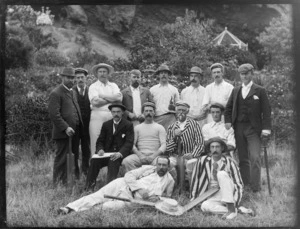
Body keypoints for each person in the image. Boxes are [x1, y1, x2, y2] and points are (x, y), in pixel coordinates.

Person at [58, 156, 175, 214]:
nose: (160, 167)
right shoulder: (148, 169)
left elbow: (167, 198)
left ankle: (80, 212)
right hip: (121, 185)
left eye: (164, 165)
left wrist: (158, 198)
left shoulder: (169, 181)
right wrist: (139, 189)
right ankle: (68, 208)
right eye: (159, 164)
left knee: (105, 208)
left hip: (131, 201)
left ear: (168, 167)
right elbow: (129, 175)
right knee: (97, 196)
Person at [224, 63, 271, 193]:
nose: (244, 76)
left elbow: (267, 111)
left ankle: (256, 188)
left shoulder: (260, 90)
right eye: (242, 74)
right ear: (240, 75)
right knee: (243, 158)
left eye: (246, 73)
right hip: (238, 127)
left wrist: (266, 129)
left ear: (252, 73)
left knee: (255, 157)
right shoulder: (235, 90)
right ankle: (246, 185)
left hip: (253, 129)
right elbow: (228, 109)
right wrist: (227, 121)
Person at [190, 137, 243, 220]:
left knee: (221, 174)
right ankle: (235, 210)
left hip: (227, 192)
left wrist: (236, 201)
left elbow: (238, 184)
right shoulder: (202, 161)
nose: (215, 149)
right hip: (210, 194)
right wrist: (193, 200)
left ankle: (231, 206)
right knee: (204, 206)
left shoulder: (230, 162)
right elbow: (195, 181)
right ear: (209, 149)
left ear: (222, 148)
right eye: (212, 147)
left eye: (217, 147)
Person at [85, 102, 134, 190]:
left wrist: (120, 153)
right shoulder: (106, 124)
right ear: (111, 113)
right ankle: (88, 188)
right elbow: (100, 141)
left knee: (113, 161)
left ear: (122, 112)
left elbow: (129, 143)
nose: (116, 114)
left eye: (118, 112)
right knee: (94, 161)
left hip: (120, 154)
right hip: (107, 153)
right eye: (114, 112)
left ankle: (110, 190)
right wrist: (100, 149)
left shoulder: (128, 125)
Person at [48, 67, 83, 184]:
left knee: (74, 156)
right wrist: (66, 127)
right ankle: (57, 183)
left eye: (73, 78)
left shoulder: (72, 92)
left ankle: (71, 180)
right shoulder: (56, 93)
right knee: (62, 158)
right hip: (63, 132)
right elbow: (54, 114)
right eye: (68, 77)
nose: (71, 80)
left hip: (75, 131)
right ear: (62, 77)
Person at [166, 101, 205, 184]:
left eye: (183, 110)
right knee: (168, 163)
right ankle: (176, 185)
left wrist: (193, 154)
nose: (181, 112)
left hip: (189, 155)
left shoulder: (195, 124)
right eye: (179, 110)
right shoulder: (171, 127)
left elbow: (200, 143)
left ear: (187, 111)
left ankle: (192, 187)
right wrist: (175, 137)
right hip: (175, 156)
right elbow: (168, 147)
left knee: (192, 163)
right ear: (176, 112)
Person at [121, 102, 166, 174]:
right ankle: (135, 181)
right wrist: (140, 155)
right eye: (146, 111)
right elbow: (132, 144)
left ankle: (153, 183)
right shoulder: (137, 128)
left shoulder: (160, 127)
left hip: (155, 156)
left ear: (154, 113)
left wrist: (154, 156)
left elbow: (163, 145)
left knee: (161, 164)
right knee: (126, 161)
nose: (149, 113)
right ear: (143, 113)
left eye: (151, 111)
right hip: (140, 155)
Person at [88, 63, 122, 155]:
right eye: (100, 72)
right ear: (97, 74)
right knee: (96, 140)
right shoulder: (93, 86)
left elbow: (119, 98)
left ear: (108, 73)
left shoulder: (113, 85)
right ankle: (95, 166)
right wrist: (111, 99)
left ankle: (110, 167)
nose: (102, 74)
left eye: (104, 72)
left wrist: (102, 96)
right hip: (97, 115)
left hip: (111, 116)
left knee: (111, 140)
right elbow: (95, 103)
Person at [72, 67, 91, 176]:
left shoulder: (91, 90)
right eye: (78, 77)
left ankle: (86, 170)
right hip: (76, 125)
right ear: (75, 79)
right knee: (74, 149)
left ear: (86, 78)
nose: (80, 79)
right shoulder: (72, 91)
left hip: (87, 125)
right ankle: (75, 172)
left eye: (82, 77)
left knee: (86, 148)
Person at [150, 64, 180, 131]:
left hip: (170, 118)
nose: (163, 75)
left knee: (170, 139)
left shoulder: (174, 89)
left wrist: (175, 108)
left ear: (168, 75)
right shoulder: (152, 90)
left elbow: (178, 106)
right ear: (158, 75)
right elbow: (150, 105)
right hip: (157, 118)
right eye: (161, 73)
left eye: (165, 73)